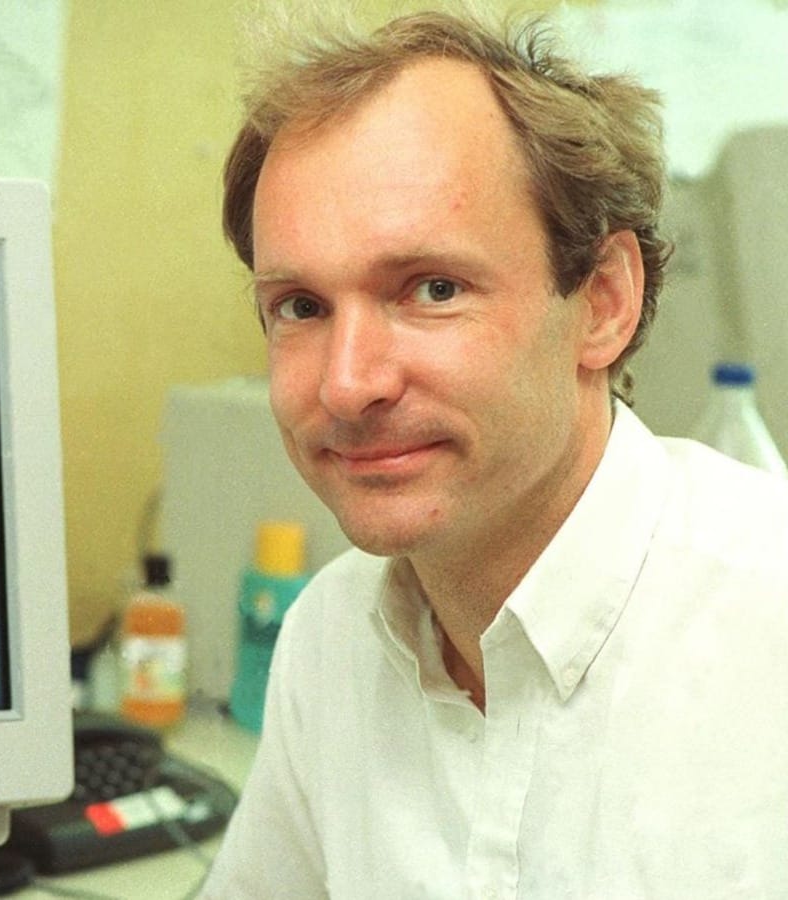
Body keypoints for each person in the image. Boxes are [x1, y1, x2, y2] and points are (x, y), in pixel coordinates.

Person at [200, 6, 788, 898]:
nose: (347, 385)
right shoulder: (333, 639)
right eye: (301, 307)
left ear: (602, 303)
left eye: (431, 289)